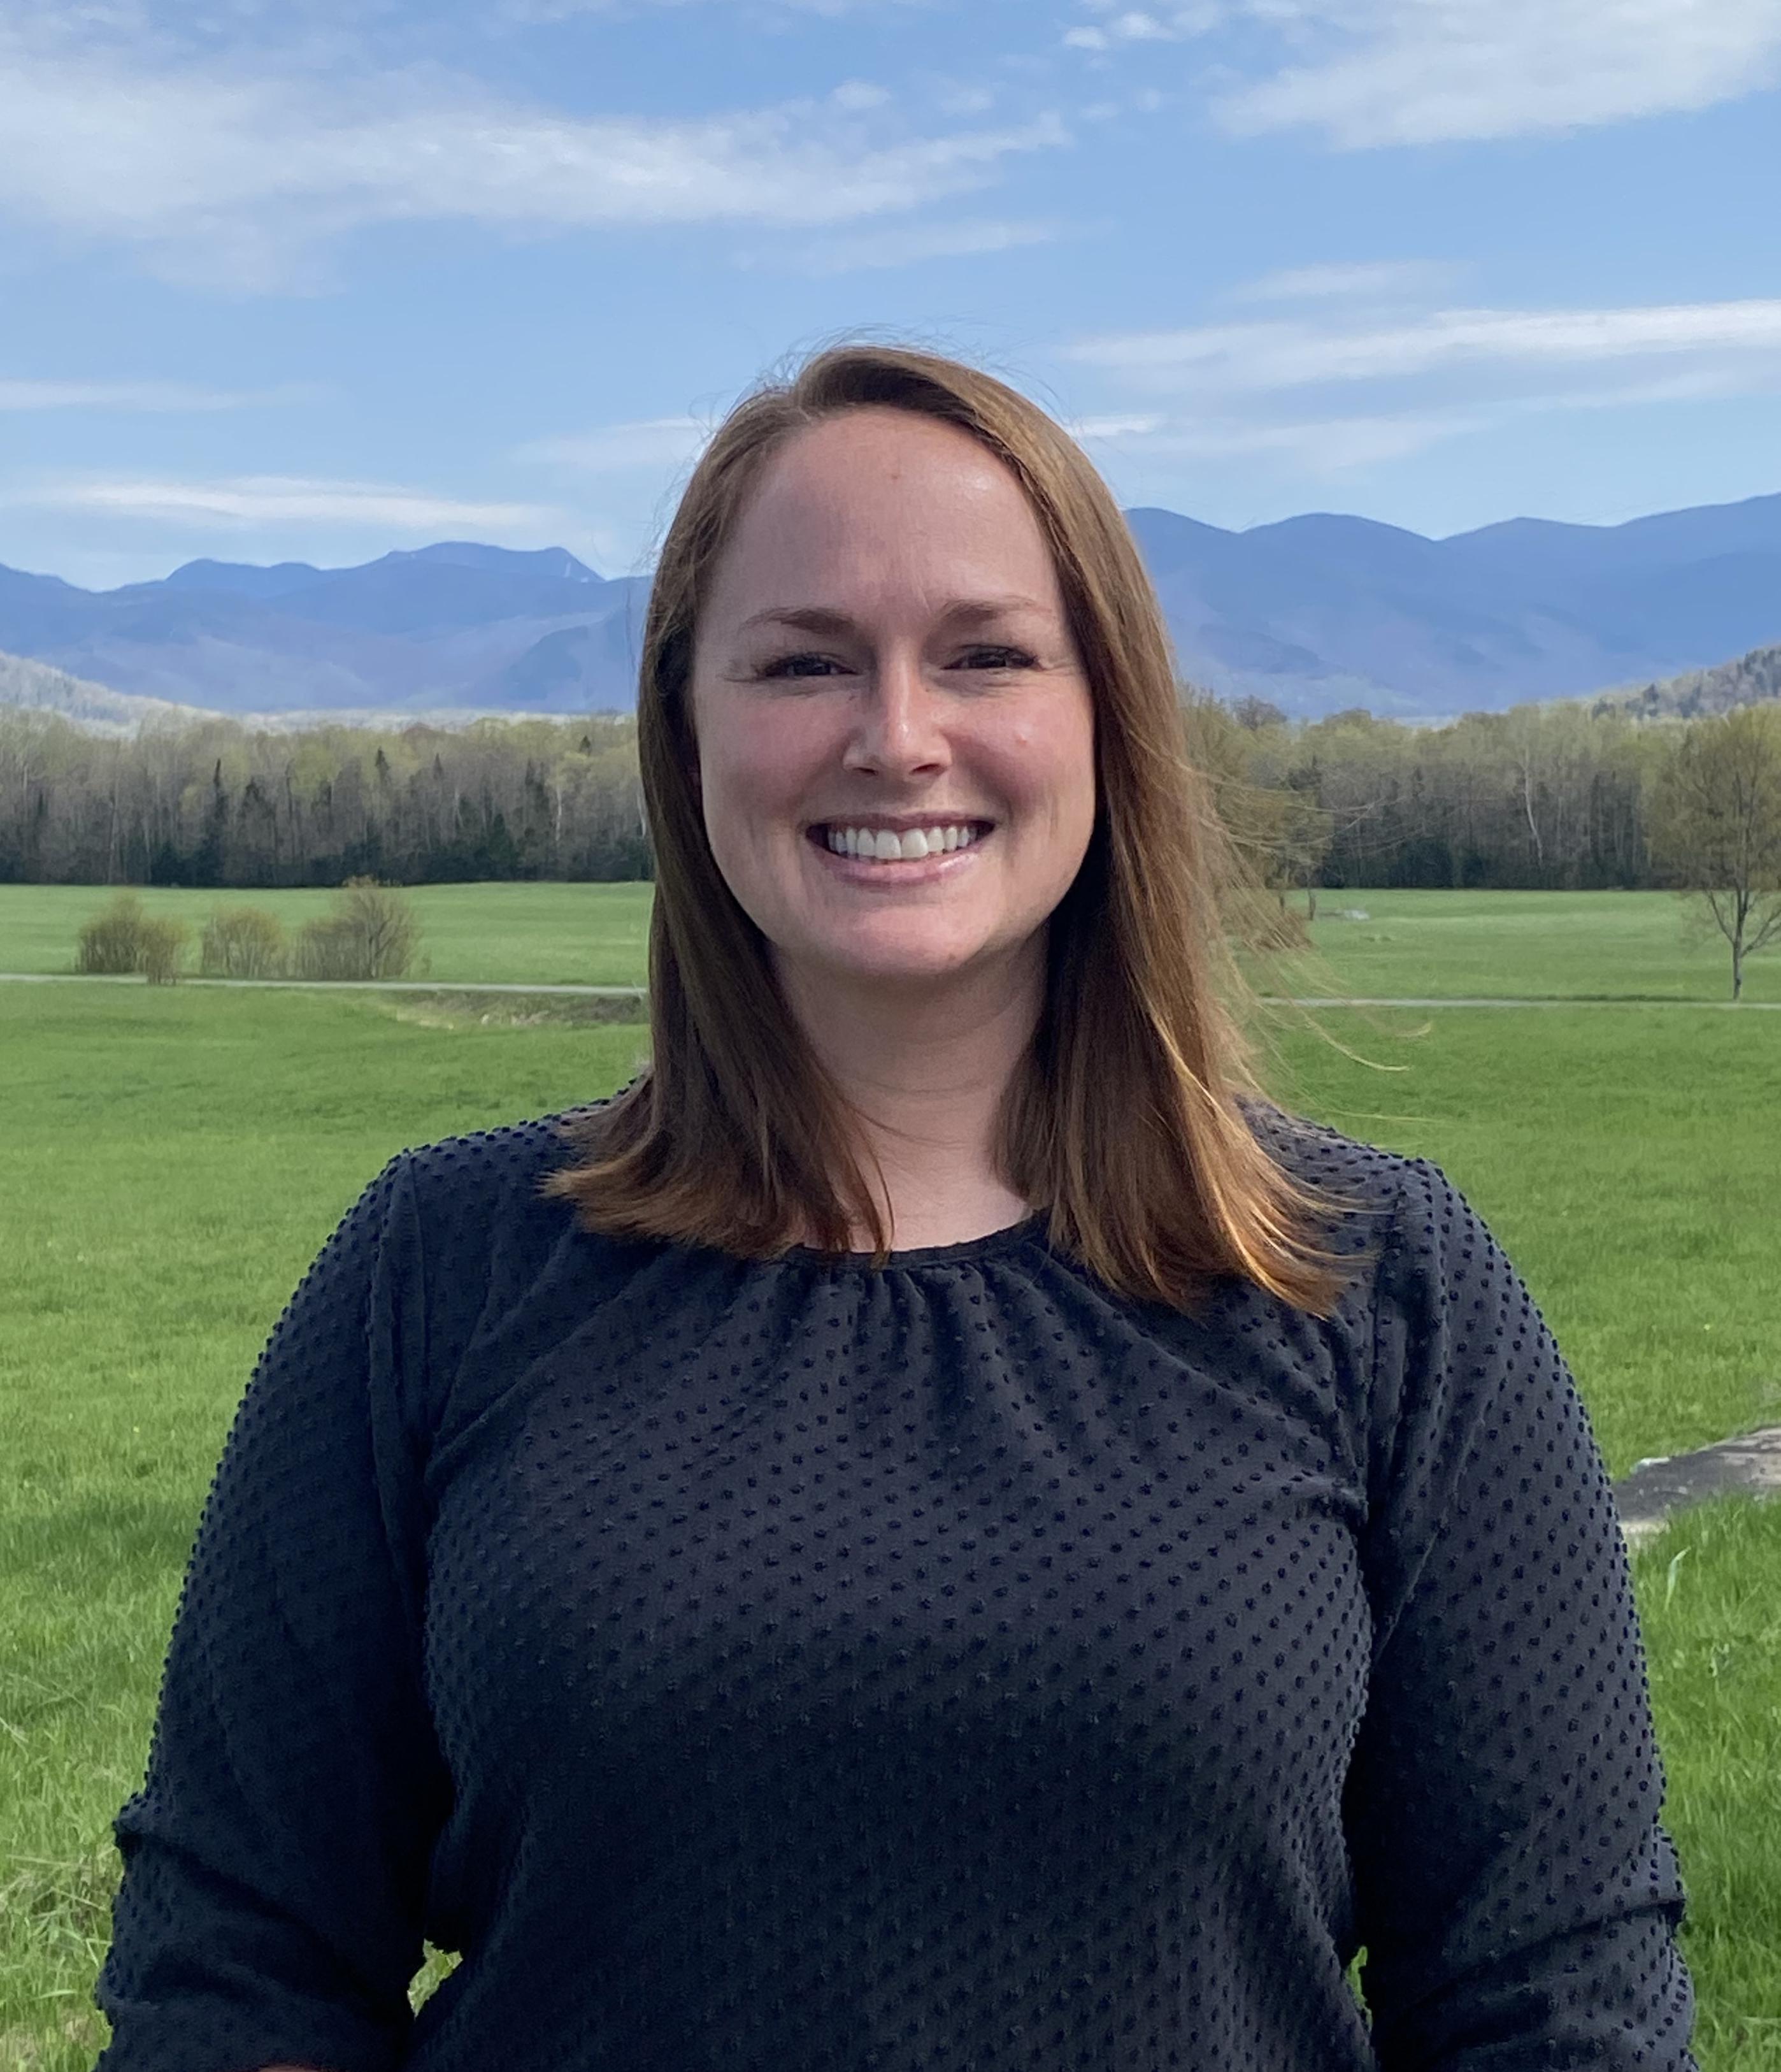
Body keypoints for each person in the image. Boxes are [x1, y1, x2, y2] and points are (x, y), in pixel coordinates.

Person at [93, 344, 1696, 2072]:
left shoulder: (1377, 1290)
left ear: (1108, 714)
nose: (898, 737)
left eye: (986, 654)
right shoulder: (441, 1269)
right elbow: (239, 1964)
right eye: (804, 662)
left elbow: (1558, 2004)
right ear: (686, 725)